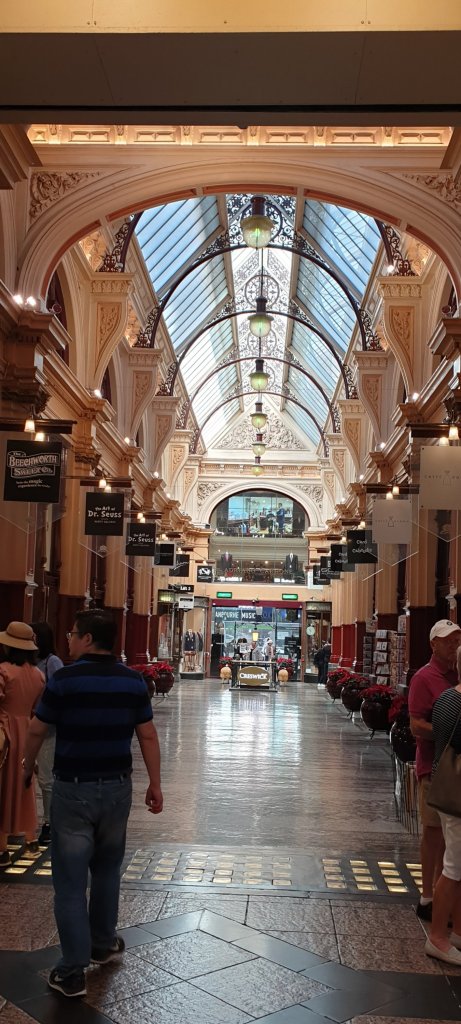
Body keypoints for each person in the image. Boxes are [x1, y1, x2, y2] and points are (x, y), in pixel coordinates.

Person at [23, 609, 163, 999]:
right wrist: (155, 783)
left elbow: (37, 727)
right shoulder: (132, 681)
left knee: (69, 882)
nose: (68, 639)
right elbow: (147, 735)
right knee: (106, 870)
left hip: (73, 790)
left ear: (86, 639)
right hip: (117, 789)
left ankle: (72, 971)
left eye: (72, 633)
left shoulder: (65, 680)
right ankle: (102, 943)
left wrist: (27, 766)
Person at [409, 619, 461, 922]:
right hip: (433, 766)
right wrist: (448, 734)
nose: (454, 644)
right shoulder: (424, 678)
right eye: (448, 640)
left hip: (456, 770)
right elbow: (416, 725)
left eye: (457, 639)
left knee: (452, 838)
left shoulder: (458, 675)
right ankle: (428, 895)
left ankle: (447, 897)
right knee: (433, 831)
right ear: (433, 644)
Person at [425, 645, 461, 965]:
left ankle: (457, 931)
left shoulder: (447, 698)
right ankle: (438, 937)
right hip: (458, 795)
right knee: (454, 867)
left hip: (446, 788)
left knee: (457, 864)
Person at [0, 622, 44, 864]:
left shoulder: (3, 671)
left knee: (3, 787)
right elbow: (37, 707)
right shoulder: (38, 675)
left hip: (5, 733)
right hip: (27, 731)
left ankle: (2, 848)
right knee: (25, 784)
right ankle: (30, 839)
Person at [30, 621, 63, 845]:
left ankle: (48, 823)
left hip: (47, 729)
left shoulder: (52, 662)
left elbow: (60, 694)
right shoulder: (26, 663)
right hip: (25, 725)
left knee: (46, 777)